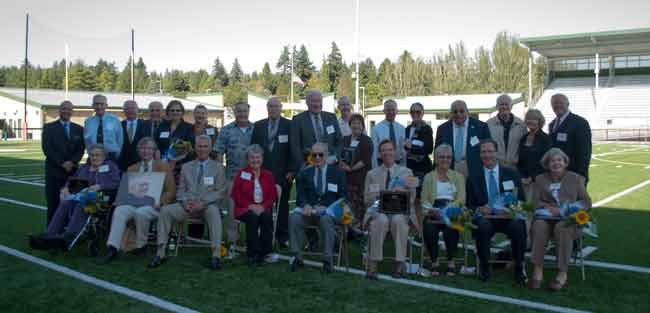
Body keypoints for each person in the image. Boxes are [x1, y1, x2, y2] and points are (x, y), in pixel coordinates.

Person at [148, 135, 227, 270]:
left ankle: (216, 255)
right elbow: (181, 190)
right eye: (199, 146)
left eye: (204, 146)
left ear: (210, 148)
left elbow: (220, 191)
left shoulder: (218, 168)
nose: (201, 149)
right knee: (166, 211)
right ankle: (160, 252)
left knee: (214, 212)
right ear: (195, 148)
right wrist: (184, 202)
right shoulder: (186, 167)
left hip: (206, 206)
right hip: (187, 205)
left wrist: (203, 203)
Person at [29, 145, 120, 250]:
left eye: (97, 155)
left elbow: (116, 182)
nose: (94, 157)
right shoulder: (85, 168)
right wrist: (65, 188)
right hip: (81, 196)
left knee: (82, 205)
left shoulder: (110, 166)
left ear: (104, 156)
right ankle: (49, 234)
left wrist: (100, 186)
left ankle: (69, 236)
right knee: (65, 203)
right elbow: (71, 180)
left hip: (102, 198)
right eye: (92, 155)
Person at [102, 138, 176, 263]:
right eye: (142, 148)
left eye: (149, 148)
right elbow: (126, 192)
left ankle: (141, 245)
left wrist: (160, 201)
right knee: (120, 210)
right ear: (138, 151)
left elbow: (171, 191)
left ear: (154, 151)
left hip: (155, 205)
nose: (145, 151)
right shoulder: (132, 168)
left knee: (141, 212)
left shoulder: (163, 166)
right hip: (135, 203)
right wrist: (123, 199)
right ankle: (112, 247)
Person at [529, 148, 592, 291]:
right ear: (547, 164)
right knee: (538, 226)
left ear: (565, 162)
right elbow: (534, 202)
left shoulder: (575, 178)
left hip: (568, 220)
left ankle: (562, 272)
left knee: (562, 228)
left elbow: (586, 203)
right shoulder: (540, 179)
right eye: (552, 161)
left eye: (559, 160)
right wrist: (548, 206)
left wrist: (564, 209)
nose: (556, 163)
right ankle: (538, 269)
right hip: (546, 218)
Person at [466, 139, 527, 285]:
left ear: (497, 153)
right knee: (483, 226)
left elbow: (521, 200)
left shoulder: (512, 174)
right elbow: (469, 205)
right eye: (483, 152)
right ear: (480, 154)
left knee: (518, 225)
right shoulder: (473, 177)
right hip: (486, 217)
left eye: (490, 151)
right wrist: (479, 209)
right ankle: (484, 267)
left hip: (507, 217)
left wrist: (513, 209)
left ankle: (519, 266)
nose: (487, 155)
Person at [288, 143, 347, 274]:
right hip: (310, 213)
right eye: (314, 155)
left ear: (326, 155)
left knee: (326, 220)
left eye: (320, 154)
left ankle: (327, 260)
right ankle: (296, 257)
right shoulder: (305, 173)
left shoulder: (338, 173)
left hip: (328, 213)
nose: (317, 158)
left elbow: (343, 198)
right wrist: (306, 205)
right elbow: (300, 196)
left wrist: (326, 208)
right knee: (294, 218)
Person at [363, 139, 417, 279]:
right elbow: (367, 200)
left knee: (398, 220)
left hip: (400, 211)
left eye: (390, 149)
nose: (387, 153)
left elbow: (412, 198)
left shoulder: (407, 172)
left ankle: (400, 265)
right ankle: (373, 264)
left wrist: (402, 193)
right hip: (378, 211)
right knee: (380, 220)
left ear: (395, 152)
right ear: (379, 154)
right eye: (383, 150)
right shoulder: (371, 174)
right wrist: (379, 195)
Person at [250, 97, 294, 247]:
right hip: (262, 175)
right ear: (267, 108)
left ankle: (283, 237)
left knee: (282, 207)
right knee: (264, 205)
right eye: (270, 106)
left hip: (283, 174)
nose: (273, 109)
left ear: (281, 108)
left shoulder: (289, 125)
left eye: (276, 106)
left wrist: (290, 170)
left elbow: (293, 150)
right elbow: (254, 149)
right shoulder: (259, 125)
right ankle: (265, 234)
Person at [420, 144, 465, 277]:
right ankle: (434, 261)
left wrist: (447, 210)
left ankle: (451, 261)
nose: (445, 160)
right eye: (441, 157)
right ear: (436, 158)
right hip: (434, 210)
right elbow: (424, 200)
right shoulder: (429, 177)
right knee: (429, 228)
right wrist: (432, 210)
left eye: (448, 157)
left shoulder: (459, 177)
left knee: (452, 227)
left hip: (452, 210)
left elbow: (461, 199)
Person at [214, 101, 254, 249]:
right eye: (239, 111)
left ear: (249, 112)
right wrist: (220, 175)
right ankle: (232, 241)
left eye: (245, 111)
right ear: (234, 112)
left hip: (253, 178)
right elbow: (218, 153)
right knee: (232, 211)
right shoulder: (226, 130)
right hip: (232, 177)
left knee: (252, 209)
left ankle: (252, 239)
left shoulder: (255, 129)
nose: (242, 114)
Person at [230, 145, 278, 266]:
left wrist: (262, 206)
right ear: (248, 159)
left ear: (262, 159)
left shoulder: (268, 175)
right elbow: (235, 194)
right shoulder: (242, 174)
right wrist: (250, 206)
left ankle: (266, 251)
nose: (255, 160)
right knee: (252, 217)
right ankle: (253, 254)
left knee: (266, 216)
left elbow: (272, 196)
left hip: (263, 206)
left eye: (258, 157)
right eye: (252, 157)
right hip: (244, 208)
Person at [42, 100, 85, 226]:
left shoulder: (79, 129)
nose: (66, 111)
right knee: (53, 203)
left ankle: (67, 232)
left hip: (72, 173)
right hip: (54, 172)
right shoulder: (49, 128)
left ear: (72, 111)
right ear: (59, 110)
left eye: (69, 109)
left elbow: (81, 149)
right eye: (64, 108)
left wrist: (72, 162)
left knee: (71, 202)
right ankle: (51, 233)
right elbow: (47, 149)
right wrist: (62, 163)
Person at [435, 100, 491, 178]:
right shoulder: (442, 128)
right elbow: (437, 152)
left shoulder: (481, 127)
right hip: (449, 169)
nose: (458, 114)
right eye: (455, 111)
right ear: (451, 113)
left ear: (467, 112)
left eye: (461, 111)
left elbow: (489, 150)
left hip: (474, 171)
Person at [290, 90, 342, 169]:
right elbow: (295, 146)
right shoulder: (298, 120)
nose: (317, 104)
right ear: (307, 103)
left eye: (319, 101)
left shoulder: (331, 117)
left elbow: (339, 141)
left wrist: (335, 157)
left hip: (331, 165)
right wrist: (303, 165)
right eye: (313, 101)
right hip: (308, 167)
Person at [547, 93, 592, 183]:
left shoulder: (580, 122)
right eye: (555, 103)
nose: (557, 105)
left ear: (567, 104)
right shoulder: (552, 124)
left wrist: (582, 175)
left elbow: (585, 151)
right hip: (556, 174)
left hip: (574, 174)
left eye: (561, 102)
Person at [339, 113, 373, 224]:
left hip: (361, 177)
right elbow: (340, 155)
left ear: (363, 126)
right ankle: (348, 226)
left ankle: (360, 227)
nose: (356, 125)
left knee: (360, 204)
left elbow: (366, 159)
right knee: (347, 203)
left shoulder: (367, 140)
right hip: (346, 177)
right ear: (350, 125)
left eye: (359, 123)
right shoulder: (345, 139)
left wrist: (351, 168)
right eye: (353, 123)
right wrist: (343, 165)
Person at [517, 109, 552, 200]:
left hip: (539, 180)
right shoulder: (523, 138)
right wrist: (521, 176)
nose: (531, 121)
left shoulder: (546, 139)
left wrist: (532, 178)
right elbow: (520, 160)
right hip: (523, 180)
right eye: (528, 119)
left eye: (534, 119)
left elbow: (546, 162)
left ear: (539, 121)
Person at [486, 94, 527, 168]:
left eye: (506, 104)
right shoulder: (488, 125)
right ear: (497, 107)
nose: (504, 107)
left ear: (511, 106)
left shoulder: (521, 125)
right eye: (501, 104)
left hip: (515, 168)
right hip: (495, 167)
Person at [404, 102, 433, 197]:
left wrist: (411, 148)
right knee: (411, 194)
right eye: (412, 112)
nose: (415, 114)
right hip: (410, 168)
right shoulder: (407, 129)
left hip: (422, 168)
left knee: (422, 195)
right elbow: (405, 146)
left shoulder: (427, 129)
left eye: (418, 112)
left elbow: (428, 149)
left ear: (422, 113)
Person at [84, 94, 123, 161]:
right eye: (96, 104)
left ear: (106, 105)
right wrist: (90, 154)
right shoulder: (88, 122)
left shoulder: (115, 120)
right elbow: (87, 141)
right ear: (92, 105)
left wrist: (116, 154)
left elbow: (120, 139)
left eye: (102, 104)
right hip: (94, 157)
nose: (99, 107)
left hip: (111, 156)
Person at [371, 99, 406, 168]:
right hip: (381, 164)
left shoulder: (402, 128)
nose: (391, 112)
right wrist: (375, 169)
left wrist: (403, 166)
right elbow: (374, 152)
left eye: (393, 110)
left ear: (397, 111)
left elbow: (403, 150)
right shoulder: (376, 129)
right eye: (388, 110)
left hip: (398, 164)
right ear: (384, 111)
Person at [118, 100, 148, 171]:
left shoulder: (146, 124)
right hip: (122, 165)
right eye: (127, 108)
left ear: (137, 110)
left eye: (133, 108)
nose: (130, 110)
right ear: (124, 111)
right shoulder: (118, 125)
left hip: (141, 164)